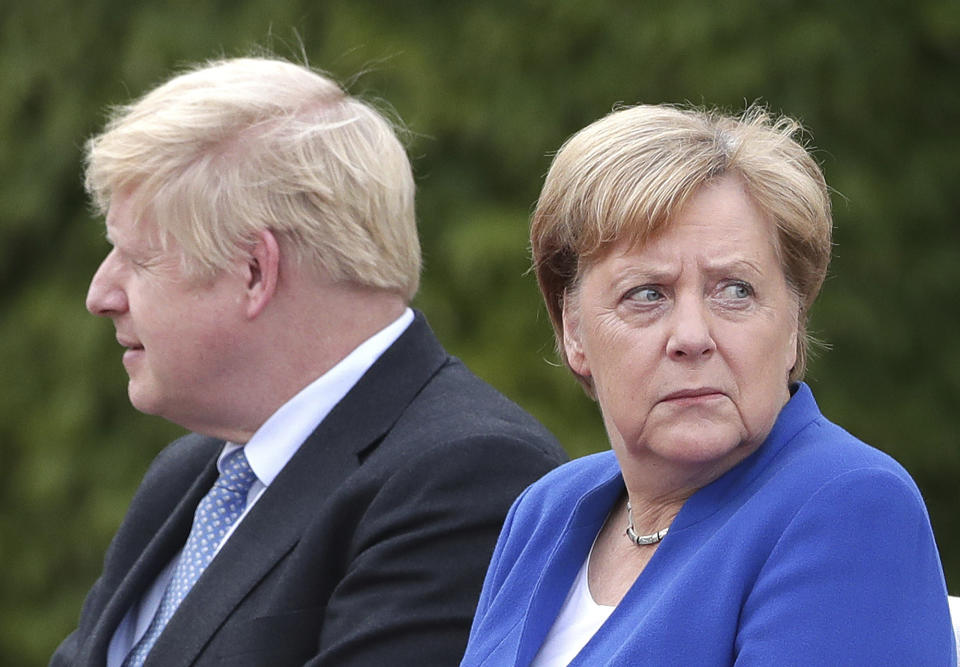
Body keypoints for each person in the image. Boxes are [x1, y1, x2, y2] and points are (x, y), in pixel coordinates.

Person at [51, 56, 566, 667]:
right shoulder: (189, 474)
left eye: (138, 259)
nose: (100, 295)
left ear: (254, 272)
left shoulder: (466, 477)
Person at [460, 104, 956, 665]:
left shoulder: (851, 505)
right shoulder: (547, 510)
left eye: (735, 290)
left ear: (794, 323)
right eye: (647, 293)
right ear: (573, 330)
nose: (692, 336)